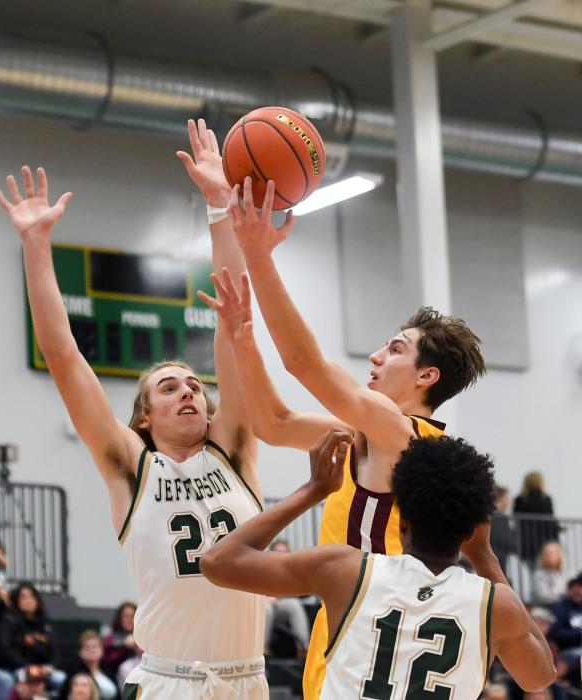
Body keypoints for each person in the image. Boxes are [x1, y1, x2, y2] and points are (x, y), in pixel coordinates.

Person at [0, 120, 270, 698]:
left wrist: (220, 207)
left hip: (247, 681)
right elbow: (65, 360)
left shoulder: (235, 447)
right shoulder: (131, 465)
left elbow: (234, 317)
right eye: (168, 388)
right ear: (143, 418)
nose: (187, 391)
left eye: (193, 384)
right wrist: (36, 246)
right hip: (171, 681)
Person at [217, 174, 489, 698]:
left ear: (426, 376)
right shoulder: (367, 432)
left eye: (394, 349)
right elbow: (272, 425)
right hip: (345, 621)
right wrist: (243, 341)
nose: (375, 357)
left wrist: (258, 254)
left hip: (375, 632)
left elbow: (304, 364)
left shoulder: (402, 434)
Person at [201, 431, 558, 696]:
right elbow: (540, 676)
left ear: (402, 522)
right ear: (471, 530)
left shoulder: (346, 570)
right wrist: (485, 555)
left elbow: (218, 562)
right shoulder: (497, 605)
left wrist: (314, 489)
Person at [0, 584, 64, 691]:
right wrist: (28, 666)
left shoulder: (45, 624)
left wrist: (50, 666)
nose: (29, 600)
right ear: (17, 601)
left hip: (43, 670)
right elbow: (5, 652)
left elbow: (56, 651)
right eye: (24, 597)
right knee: (29, 680)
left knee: (64, 680)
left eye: (32, 596)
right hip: (18, 668)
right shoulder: (9, 622)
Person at [262, 541, 310, 659]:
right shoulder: (262, 568)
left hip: (280, 608)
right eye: (277, 552)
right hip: (263, 607)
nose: (280, 555)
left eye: (284, 552)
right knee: (267, 608)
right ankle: (262, 650)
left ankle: (304, 647)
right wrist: (264, 597)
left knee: (294, 604)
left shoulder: (292, 571)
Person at [514, 472, 560, 565]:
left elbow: (516, 519)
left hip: (526, 543)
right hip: (544, 542)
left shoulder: (520, 500)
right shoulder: (545, 499)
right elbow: (550, 521)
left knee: (533, 572)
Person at [59, 631, 116, 700]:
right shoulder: (74, 673)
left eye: (94, 647)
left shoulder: (109, 671)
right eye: (87, 647)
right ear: (80, 652)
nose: (91, 650)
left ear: (102, 650)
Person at [101, 602, 140, 687]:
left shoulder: (143, 636)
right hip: (116, 680)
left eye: (132, 616)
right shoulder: (110, 638)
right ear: (119, 618)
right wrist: (124, 648)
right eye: (125, 616)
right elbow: (107, 662)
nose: (129, 619)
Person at [550, 576, 582, 673]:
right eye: (575, 591)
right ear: (569, 591)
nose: (578, 593)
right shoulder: (561, 608)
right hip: (567, 649)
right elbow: (556, 632)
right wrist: (578, 634)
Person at [490, 486, 518, 583]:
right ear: (500, 498)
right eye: (507, 498)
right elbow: (508, 541)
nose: (508, 503)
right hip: (499, 561)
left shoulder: (486, 517)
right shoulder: (501, 518)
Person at [533, 542, 567, 606]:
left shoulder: (562, 575)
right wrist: (564, 596)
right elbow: (543, 597)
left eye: (553, 553)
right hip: (545, 610)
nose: (550, 556)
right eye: (547, 553)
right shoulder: (538, 575)